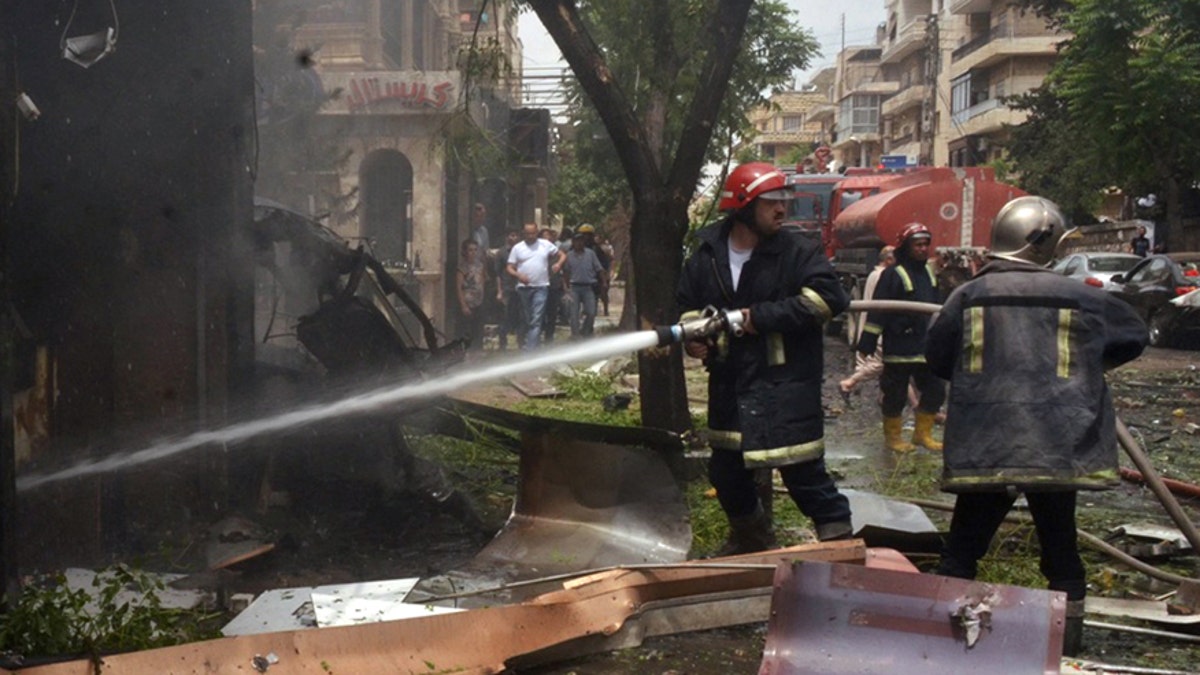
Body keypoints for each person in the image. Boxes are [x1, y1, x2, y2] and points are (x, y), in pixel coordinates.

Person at [926, 196, 1147, 657]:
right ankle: (1067, 651)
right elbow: (1134, 335)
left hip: (987, 445)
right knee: (1061, 549)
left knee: (962, 550)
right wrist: (1086, 368)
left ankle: (937, 648)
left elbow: (938, 357)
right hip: (1057, 444)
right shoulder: (1084, 296)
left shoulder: (966, 296)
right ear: (1047, 244)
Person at [678, 162, 853, 554]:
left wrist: (757, 318)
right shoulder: (707, 253)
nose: (782, 209)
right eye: (772, 201)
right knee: (726, 474)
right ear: (742, 206)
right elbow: (688, 305)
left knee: (805, 476)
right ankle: (752, 539)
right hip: (731, 384)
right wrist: (694, 339)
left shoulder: (798, 251)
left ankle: (842, 550)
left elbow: (828, 300)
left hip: (785, 384)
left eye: (784, 200)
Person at [856, 222, 946, 452]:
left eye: (926, 244)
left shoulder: (929, 273)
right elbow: (878, 310)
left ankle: (922, 434)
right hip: (899, 347)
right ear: (906, 247)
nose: (923, 249)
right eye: (917, 244)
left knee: (935, 391)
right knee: (895, 395)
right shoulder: (891, 275)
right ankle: (893, 438)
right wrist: (866, 342)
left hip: (925, 346)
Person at [838, 245, 894, 399]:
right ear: (889, 260)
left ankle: (887, 396)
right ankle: (849, 382)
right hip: (879, 324)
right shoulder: (883, 276)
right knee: (880, 362)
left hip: (872, 320)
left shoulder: (874, 274)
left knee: (895, 367)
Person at [506, 223, 566, 352]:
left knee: (536, 318)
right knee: (527, 318)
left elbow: (562, 255)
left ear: (537, 232)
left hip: (541, 286)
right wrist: (518, 275)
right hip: (523, 287)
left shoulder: (545, 244)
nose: (531, 236)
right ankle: (529, 343)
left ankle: (531, 350)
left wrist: (558, 264)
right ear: (524, 233)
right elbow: (510, 267)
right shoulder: (518, 248)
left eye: (533, 233)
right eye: (528, 234)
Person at [563, 229, 607, 337]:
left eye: (581, 241)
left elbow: (599, 269)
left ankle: (586, 331)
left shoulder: (590, 253)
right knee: (574, 314)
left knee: (591, 312)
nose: (579, 243)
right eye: (577, 241)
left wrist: (604, 282)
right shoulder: (569, 255)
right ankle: (576, 336)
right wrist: (566, 288)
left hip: (588, 287)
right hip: (574, 288)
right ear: (573, 242)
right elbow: (566, 272)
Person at [455, 239, 487, 354]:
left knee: (478, 329)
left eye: (475, 250)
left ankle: (477, 352)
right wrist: (463, 305)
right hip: (467, 302)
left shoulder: (480, 265)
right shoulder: (462, 267)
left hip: (479, 301)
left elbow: (483, 281)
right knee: (465, 330)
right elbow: (459, 287)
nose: (473, 253)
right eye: (470, 250)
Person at [495, 230, 522, 351]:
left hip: (520, 288)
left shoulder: (522, 251)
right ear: (507, 237)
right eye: (512, 235)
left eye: (516, 235)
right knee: (505, 316)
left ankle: (521, 341)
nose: (514, 238)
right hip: (506, 288)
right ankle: (502, 343)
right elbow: (498, 274)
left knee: (521, 315)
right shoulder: (501, 253)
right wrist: (499, 291)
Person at [541, 227, 565, 343]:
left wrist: (559, 264)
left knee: (552, 312)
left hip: (554, 285)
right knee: (540, 312)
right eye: (543, 237)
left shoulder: (555, 252)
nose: (546, 239)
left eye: (548, 236)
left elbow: (563, 257)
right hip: (540, 286)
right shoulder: (537, 251)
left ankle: (549, 337)